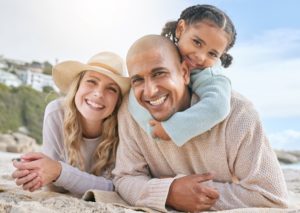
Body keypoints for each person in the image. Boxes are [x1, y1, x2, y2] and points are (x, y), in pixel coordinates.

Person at [113, 35, 288, 212]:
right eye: (138, 80)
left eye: (159, 73)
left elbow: (271, 195)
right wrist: (170, 192)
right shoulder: (131, 112)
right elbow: (125, 178)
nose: (150, 92)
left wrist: (191, 193)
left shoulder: (238, 113)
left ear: (184, 73)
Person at [11, 51, 130, 197]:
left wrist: (58, 171)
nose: (99, 93)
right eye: (91, 81)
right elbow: (53, 186)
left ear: (118, 100)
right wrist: (33, 171)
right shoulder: (56, 113)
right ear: (77, 86)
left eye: (111, 89)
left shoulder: (124, 127)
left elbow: (118, 188)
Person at [128, 4, 236, 146]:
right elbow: (134, 98)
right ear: (180, 29)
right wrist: (152, 129)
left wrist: (172, 128)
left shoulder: (211, 75)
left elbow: (217, 108)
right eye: (197, 42)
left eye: (212, 54)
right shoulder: (160, 53)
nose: (200, 57)